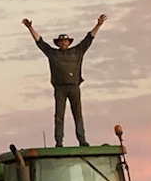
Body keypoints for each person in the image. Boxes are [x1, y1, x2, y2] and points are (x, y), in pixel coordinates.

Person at [23, 14, 107, 145]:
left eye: (66, 41)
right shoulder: (53, 53)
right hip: (60, 88)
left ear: (69, 43)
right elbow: (40, 42)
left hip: (74, 87)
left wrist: (98, 25)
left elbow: (89, 38)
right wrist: (30, 28)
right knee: (59, 115)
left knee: (78, 114)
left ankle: (82, 140)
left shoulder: (77, 51)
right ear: (58, 43)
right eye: (61, 41)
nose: (64, 43)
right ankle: (59, 141)